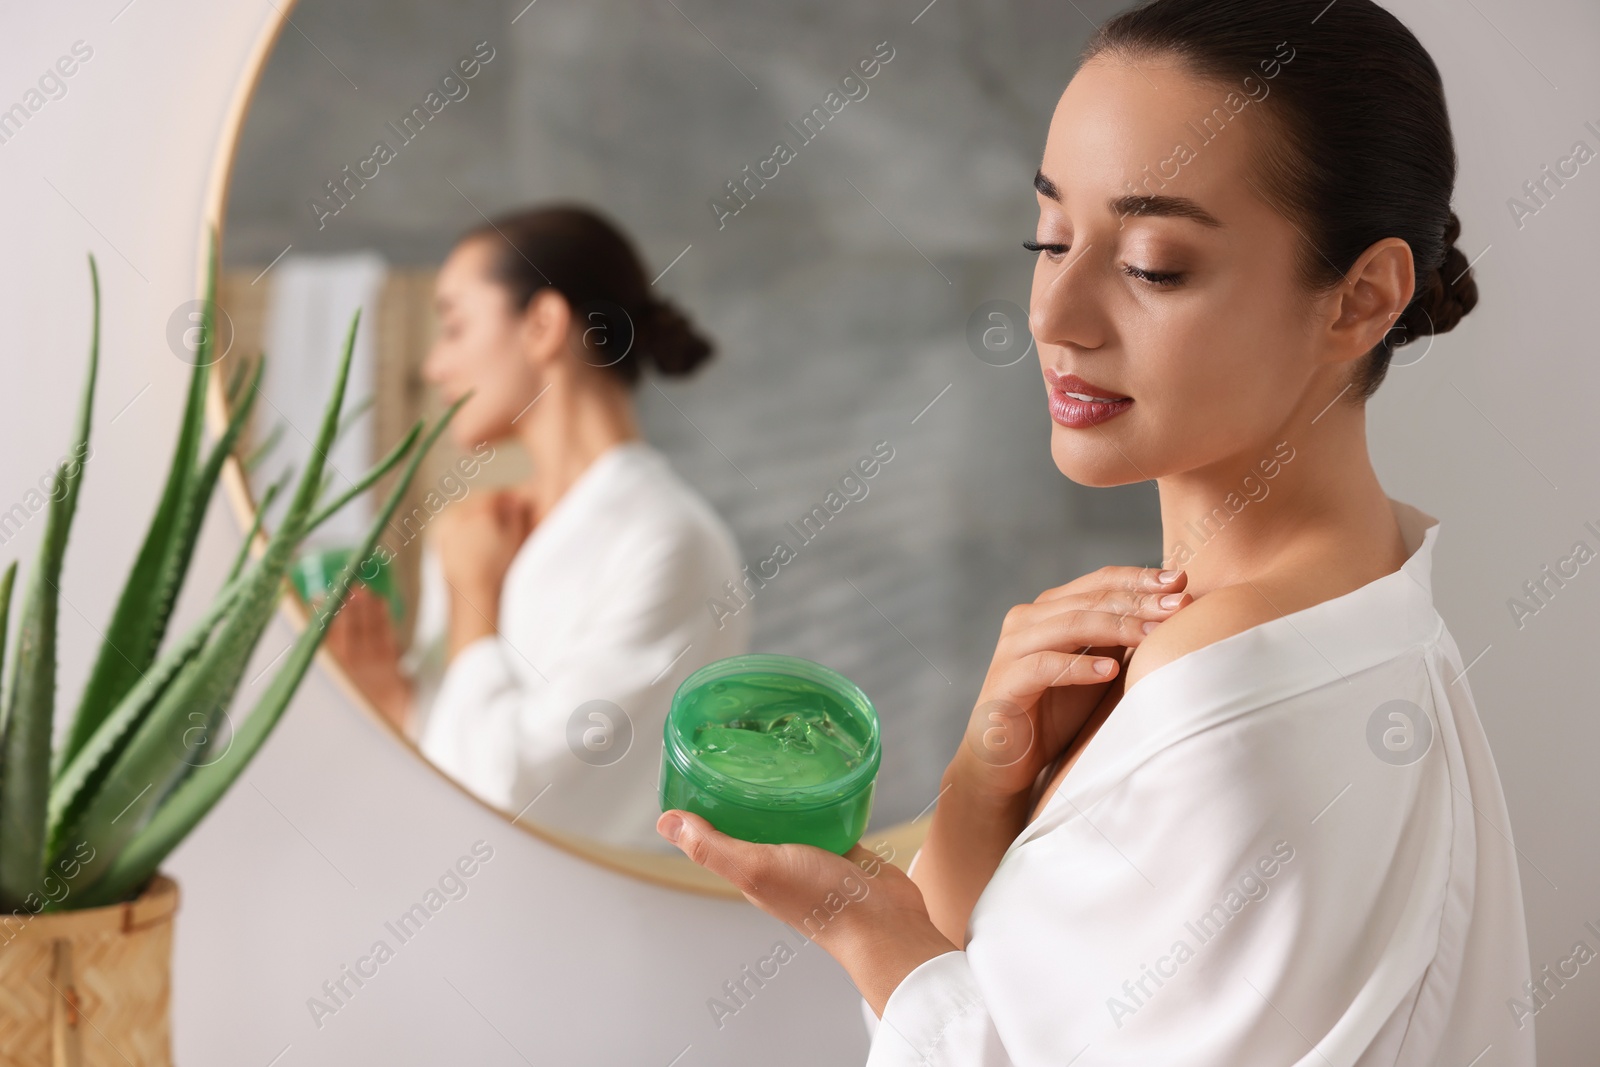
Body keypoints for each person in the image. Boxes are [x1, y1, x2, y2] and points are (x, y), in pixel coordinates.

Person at [657, 0, 1536, 1062]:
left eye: (1154, 263)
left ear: (1359, 299)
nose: (1054, 312)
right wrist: (986, 794)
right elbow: (1010, 1005)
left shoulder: (1236, 698)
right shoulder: (1363, 599)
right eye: (1050, 237)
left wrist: (859, 923)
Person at [327, 204, 752, 852]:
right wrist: (392, 699)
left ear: (544, 324)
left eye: (455, 325)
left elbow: (515, 801)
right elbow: (451, 761)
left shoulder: (667, 540)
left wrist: (474, 598)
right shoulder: (486, 529)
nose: (434, 365)